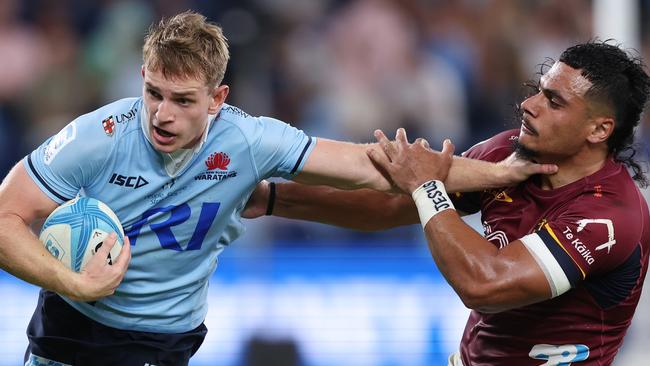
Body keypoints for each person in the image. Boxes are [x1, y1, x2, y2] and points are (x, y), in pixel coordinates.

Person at [0, 11, 554, 366]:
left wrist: (504, 174)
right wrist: (72, 279)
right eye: (153, 93)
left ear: (218, 100)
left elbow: (377, 166)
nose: (161, 115)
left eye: (183, 100)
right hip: (73, 335)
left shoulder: (251, 140)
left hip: (165, 346)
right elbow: (6, 219)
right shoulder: (99, 137)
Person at [244, 41, 650, 365]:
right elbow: (390, 207)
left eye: (554, 102)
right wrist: (274, 198)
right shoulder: (506, 153)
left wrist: (427, 186)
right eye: (537, 92)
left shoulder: (608, 216)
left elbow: (485, 285)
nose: (529, 106)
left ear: (599, 129)